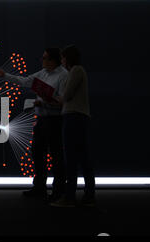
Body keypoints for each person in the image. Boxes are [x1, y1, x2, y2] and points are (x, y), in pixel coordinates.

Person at [0, 48, 68, 202]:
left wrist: (44, 101)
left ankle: (58, 190)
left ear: (53, 60)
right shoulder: (43, 73)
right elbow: (26, 81)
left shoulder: (63, 76)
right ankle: (40, 187)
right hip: (42, 119)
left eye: (45, 58)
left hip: (55, 120)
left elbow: (63, 100)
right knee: (38, 153)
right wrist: (5, 76)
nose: (42, 60)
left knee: (56, 156)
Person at [51, 45, 95, 207]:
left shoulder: (76, 71)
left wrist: (51, 96)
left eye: (63, 58)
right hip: (78, 117)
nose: (61, 61)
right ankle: (88, 195)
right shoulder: (77, 71)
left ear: (67, 58)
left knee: (72, 158)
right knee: (83, 157)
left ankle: (70, 197)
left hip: (74, 117)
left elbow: (67, 96)